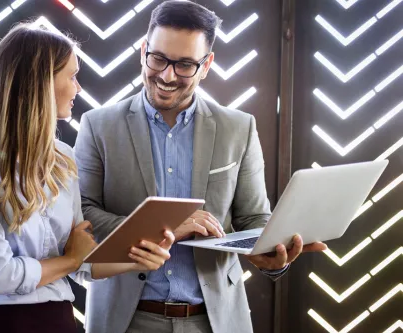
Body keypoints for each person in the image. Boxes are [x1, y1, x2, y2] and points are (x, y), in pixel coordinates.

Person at [74, 2, 327, 333]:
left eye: (185, 65)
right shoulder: (98, 125)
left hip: (216, 321)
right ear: (143, 51)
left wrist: (271, 256)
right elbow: (81, 216)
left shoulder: (239, 128)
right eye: (159, 58)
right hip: (125, 320)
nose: (167, 75)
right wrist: (167, 227)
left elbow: (254, 219)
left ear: (206, 64)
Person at [0, 23, 175, 333]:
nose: (78, 88)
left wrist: (139, 258)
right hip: (5, 325)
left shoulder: (63, 157)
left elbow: (85, 262)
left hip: (62, 323)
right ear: (39, 83)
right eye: (72, 76)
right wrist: (69, 261)